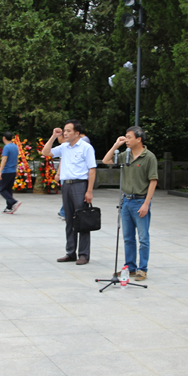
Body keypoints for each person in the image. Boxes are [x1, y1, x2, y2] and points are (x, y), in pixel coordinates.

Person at [102, 126, 159, 281]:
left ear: (139, 139)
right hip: (126, 201)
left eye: (129, 137)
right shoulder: (125, 155)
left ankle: (143, 268)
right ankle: (130, 267)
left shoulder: (149, 157)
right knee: (128, 237)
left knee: (143, 237)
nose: (126, 140)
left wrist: (146, 203)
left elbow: (153, 181)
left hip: (140, 200)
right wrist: (116, 145)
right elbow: (106, 160)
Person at [41, 120, 97, 265]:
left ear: (77, 133)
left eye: (68, 131)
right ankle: (70, 252)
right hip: (66, 185)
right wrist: (53, 136)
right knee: (69, 220)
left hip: (80, 185)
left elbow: (92, 169)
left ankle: (83, 254)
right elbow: (45, 152)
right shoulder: (64, 147)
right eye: (64, 130)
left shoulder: (86, 147)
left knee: (82, 220)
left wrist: (89, 191)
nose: (65, 133)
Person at [0, 132, 22, 214]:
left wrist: (0, 171)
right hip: (12, 171)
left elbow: (4, 159)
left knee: (2, 189)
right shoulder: (15, 146)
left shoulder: (6, 147)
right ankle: (9, 207)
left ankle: (13, 202)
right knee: (8, 189)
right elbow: (16, 159)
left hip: (6, 171)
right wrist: (16, 169)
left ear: (4, 138)